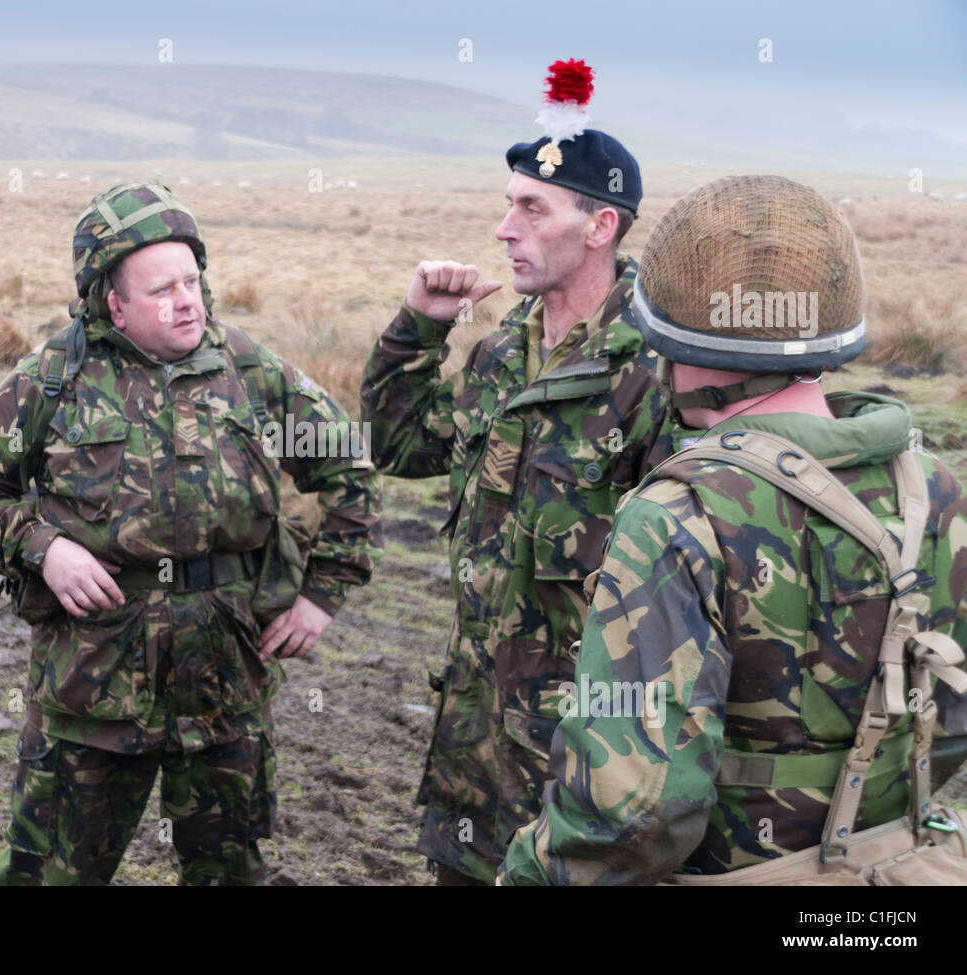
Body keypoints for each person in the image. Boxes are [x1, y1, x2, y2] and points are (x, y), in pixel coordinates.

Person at [501, 174, 967, 885]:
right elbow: (950, 723)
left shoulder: (678, 515)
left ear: (670, 340)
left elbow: (627, 815)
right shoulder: (932, 486)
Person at [0, 181, 381, 885]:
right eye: (162, 290)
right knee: (50, 873)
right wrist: (44, 548)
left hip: (224, 682)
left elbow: (348, 464)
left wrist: (323, 593)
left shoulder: (248, 370)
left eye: (192, 281)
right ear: (113, 303)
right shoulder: (52, 380)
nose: (188, 301)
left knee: (228, 871)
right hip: (93, 685)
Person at [361, 59, 671, 884]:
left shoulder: (654, 372)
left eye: (532, 208)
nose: (505, 229)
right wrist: (418, 330)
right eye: (508, 205)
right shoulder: (501, 352)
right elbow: (401, 447)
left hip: (584, 764)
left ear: (600, 226)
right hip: (474, 756)